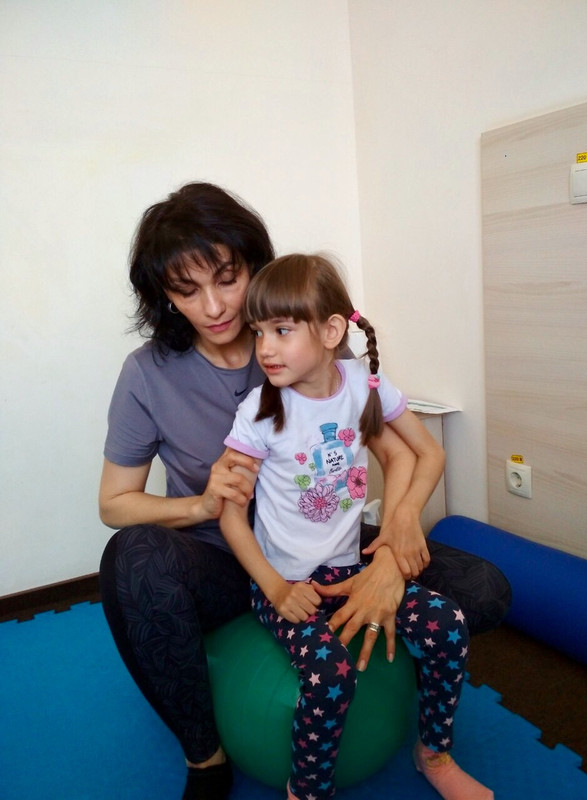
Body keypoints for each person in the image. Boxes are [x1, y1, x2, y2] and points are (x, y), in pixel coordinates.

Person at [98, 182, 510, 800]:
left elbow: (402, 452)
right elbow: (115, 503)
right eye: (186, 290)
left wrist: (392, 555)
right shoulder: (148, 375)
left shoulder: (310, 346)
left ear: (255, 265)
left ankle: (427, 738)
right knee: (131, 558)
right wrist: (203, 505)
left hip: (332, 543)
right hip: (225, 558)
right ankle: (205, 758)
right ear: (165, 296)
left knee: (484, 588)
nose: (213, 306)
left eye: (227, 279)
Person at [220, 253, 494, 800]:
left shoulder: (363, 386)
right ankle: (307, 790)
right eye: (258, 332)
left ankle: (433, 753)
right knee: (332, 678)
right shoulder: (258, 411)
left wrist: (400, 520)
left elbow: (426, 453)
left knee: (448, 624)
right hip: (287, 583)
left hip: (350, 571)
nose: (264, 348)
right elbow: (230, 514)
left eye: (281, 330)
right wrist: (275, 589)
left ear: (330, 332)